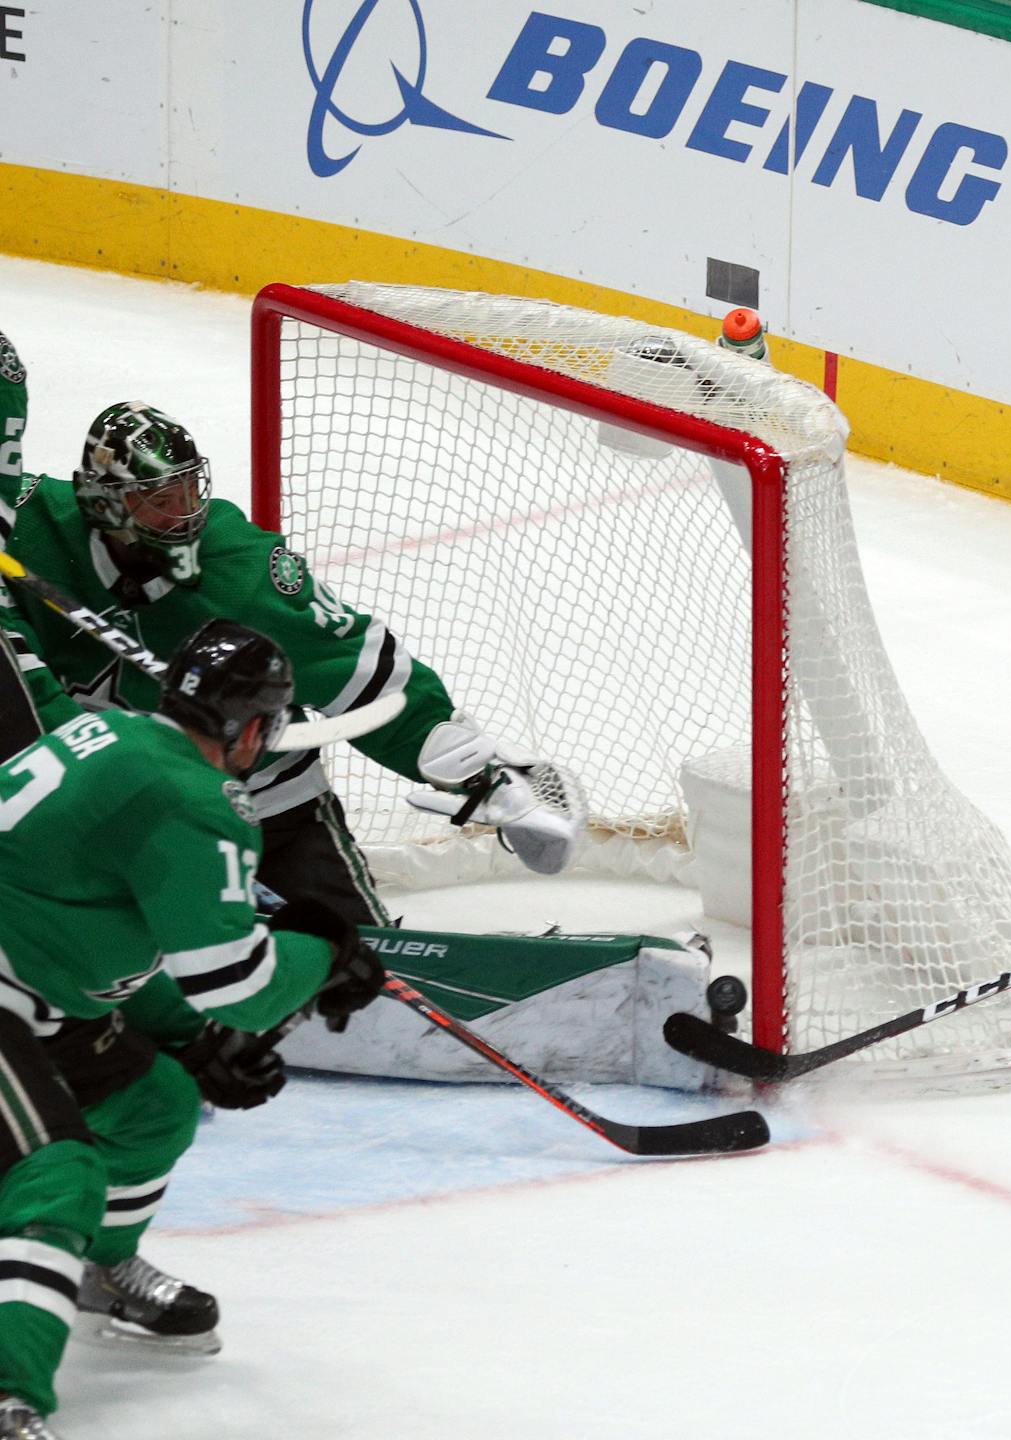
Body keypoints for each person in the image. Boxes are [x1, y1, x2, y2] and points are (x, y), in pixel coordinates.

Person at [0, 621, 382, 1438]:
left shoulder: (115, 736)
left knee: (155, 1104)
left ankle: (100, 1272)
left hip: (29, 983)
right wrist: (327, 953)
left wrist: (189, 1036)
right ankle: (8, 1398)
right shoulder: (193, 799)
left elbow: (90, 931)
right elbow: (234, 985)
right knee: (56, 1175)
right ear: (253, 730)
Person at [0, 398, 585, 926]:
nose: (184, 514)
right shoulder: (29, 531)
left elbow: (365, 676)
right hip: (103, 805)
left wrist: (475, 772)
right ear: (104, 504)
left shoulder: (242, 573)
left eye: (189, 491)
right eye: (158, 502)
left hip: (264, 804)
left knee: (353, 962)